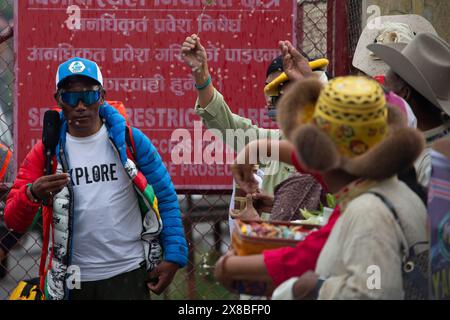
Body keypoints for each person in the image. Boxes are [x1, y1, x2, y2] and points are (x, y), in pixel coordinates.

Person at [4, 57, 188, 300]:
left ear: (101, 97)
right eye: (70, 97)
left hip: (128, 270)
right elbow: (12, 219)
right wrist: (32, 194)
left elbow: (164, 196)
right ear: (59, 100)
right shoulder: (45, 152)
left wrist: (174, 255)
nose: (80, 106)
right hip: (72, 277)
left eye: (88, 96)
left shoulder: (130, 141)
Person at [275, 76, 427, 299]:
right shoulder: (401, 193)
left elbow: (375, 290)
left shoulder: (369, 213)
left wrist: (312, 289)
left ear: (319, 153)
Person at [368, 32, 450, 188]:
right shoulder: (424, 139)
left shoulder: (434, 164)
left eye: (386, 85)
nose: (382, 92)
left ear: (404, 94)